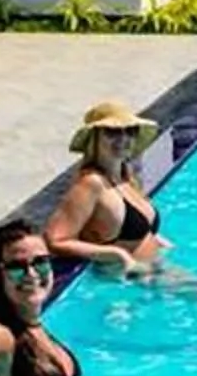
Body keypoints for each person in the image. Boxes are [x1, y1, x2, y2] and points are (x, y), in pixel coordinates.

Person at [46, 100, 176, 281]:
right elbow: (55, 240)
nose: (124, 139)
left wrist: (155, 238)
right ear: (95, 138)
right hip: (126, 283)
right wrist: (115, 254)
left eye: (131, 131)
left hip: (153, 272)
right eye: (113, 132)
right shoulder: (91, 184)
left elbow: (135, 229)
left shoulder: (125, 177)